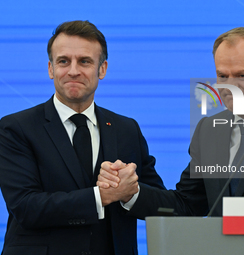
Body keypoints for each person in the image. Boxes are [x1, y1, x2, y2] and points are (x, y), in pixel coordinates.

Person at [98, 26, 244, 218]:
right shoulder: (209, 131)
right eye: (222, 76)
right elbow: (187, 206)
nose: (230, 86)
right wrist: (132, 193)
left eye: (242, 76)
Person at [0, 20, 165, 255]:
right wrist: (102, 196)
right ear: (50, 69)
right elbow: (26, 207)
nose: (73, 70)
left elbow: (161, 205)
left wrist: (130, 192)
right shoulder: (15, 128)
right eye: (64, 61)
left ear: (102, 69)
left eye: (85, 61)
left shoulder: (127, 129)